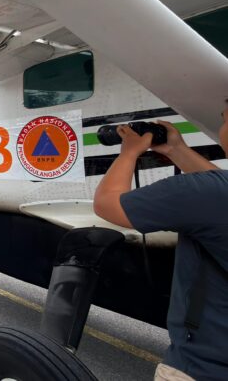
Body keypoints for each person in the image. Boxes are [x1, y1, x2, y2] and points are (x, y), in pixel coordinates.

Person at [93, 105, 228, 381]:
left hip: (202, 368)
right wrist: (176, 150)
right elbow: (216, 189)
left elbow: (107, 204)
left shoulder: (205, 193)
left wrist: (129, 152)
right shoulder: (214, 193)